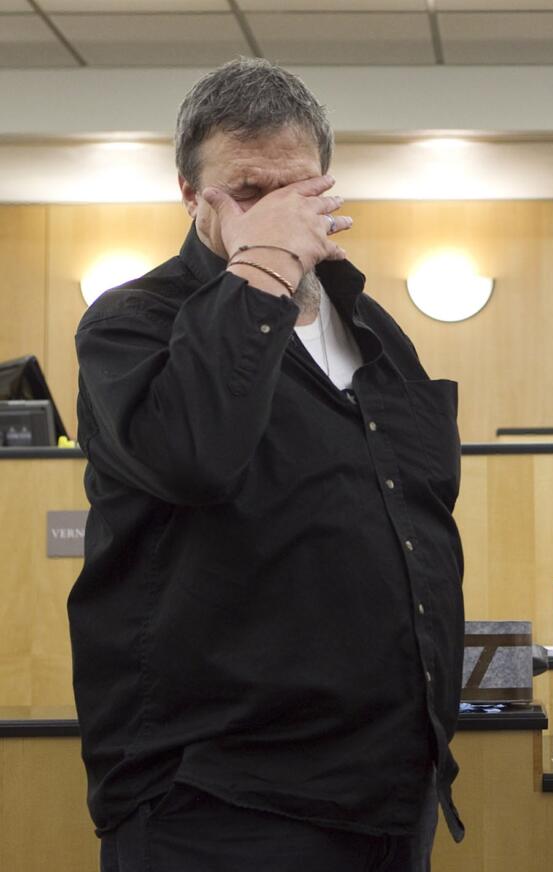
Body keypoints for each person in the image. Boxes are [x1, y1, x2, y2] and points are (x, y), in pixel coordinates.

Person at [69, 58, 464, 871]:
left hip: (386, 788)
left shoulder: (377, 333)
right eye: (248, 194)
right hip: (216, 797)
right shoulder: (131, 324)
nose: (280, 213)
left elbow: (420, 509)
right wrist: (261, 270)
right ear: (189, 194)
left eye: (298, 189)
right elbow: (193, 456)